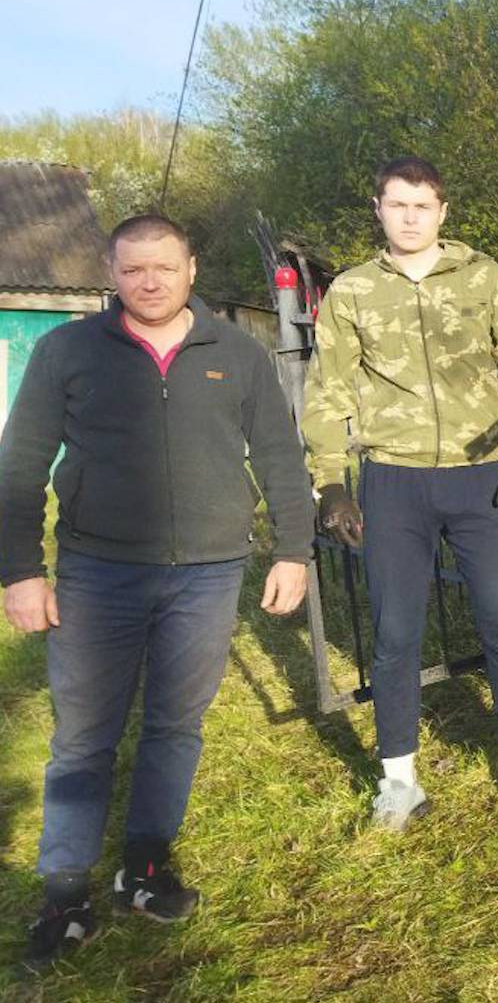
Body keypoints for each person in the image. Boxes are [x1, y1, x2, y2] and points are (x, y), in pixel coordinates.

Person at [0, 215, 313, 970]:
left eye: (164, 267)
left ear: (191, 269)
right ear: (112, 272)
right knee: (83, 735)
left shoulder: (237, 353)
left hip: (207, 573)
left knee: (176, 725)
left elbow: (280, 454)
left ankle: (143, 869)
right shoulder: (68, 351)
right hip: (97, 571)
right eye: (133, 268)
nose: (150, 281)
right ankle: (65, 895)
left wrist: (292, 551)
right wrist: (20, 571)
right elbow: (21, 464)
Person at [304, 156, 498, 832]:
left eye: (422, 206)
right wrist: (330, 482)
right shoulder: (353, 291)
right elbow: (327, 389)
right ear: (378, 209)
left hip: (479, 476)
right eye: (397, 205)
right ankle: (399, 780)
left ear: (442, 211)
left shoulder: (483, 277)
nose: (410, 218)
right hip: (394, 480)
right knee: (396, 631)